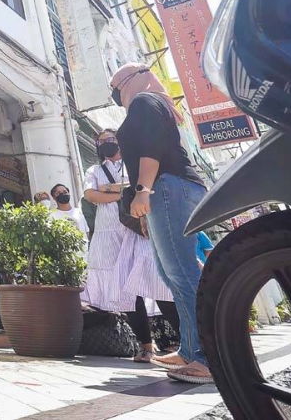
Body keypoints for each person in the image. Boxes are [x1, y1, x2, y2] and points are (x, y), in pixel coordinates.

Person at [114, 63, 212, 384]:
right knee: (172, 275)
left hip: (166, 186)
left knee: (182, 273)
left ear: (139, 77)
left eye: (118, 84)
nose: (116, 92)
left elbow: (151, 146)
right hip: (166, 191)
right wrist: (146, 208)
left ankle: (209, 356)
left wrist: (143, 190)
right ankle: (190, 349)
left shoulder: (145, 99)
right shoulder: (155, 103)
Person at [81, 129, 179, 364]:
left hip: (138, 227)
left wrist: (110, 190)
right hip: (110, 232)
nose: (107, 144)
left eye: (111, 140)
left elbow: (143, 186)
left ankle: (190, 343)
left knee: (157, 282)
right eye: (102, 141)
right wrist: (123, 192)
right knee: (126, 291)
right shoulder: (94, 170)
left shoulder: (133, 162)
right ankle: (146, 347)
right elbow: (90, 195)